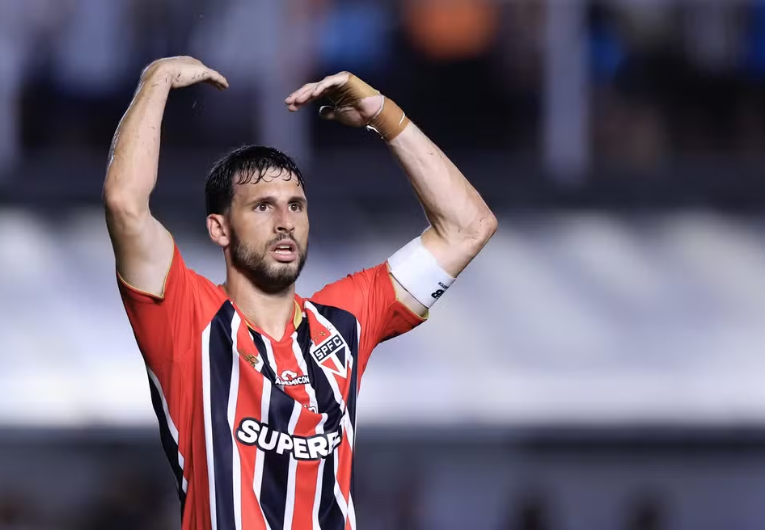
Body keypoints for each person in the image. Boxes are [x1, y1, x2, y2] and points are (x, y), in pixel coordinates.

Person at [103, 56, 497, 530]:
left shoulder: (343, 320)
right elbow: (125, 204)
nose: (285, 222)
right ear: (219, 228)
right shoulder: (188, 318)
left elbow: (468, 227)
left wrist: (383, 115)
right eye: (263, 207)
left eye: (296, 206)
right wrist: (157, 78)